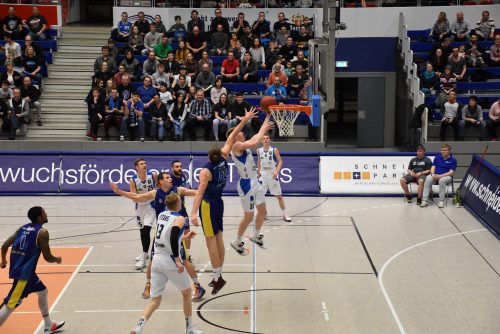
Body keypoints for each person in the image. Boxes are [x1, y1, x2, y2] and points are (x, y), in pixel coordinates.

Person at [190, 108, 257, 295]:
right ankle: (218, 274)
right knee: (219, 238)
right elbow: (232, 136)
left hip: (208, 204)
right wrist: (244, 120)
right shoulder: (224, 159)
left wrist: (193, 213)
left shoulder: (206, 171)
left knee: (210, 240)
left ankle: (218, 277)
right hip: (219, 203)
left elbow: (199, 193)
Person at [110, 172, 205, 303]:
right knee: (152, 260)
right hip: (162, 234)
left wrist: (206, 185)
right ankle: (148, 285)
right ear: (160, 181)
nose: (170, 179)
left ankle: (197, 286)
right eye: (167, 178)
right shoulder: (155, 193)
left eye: (170, 177)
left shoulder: (178, 190)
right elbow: (137, 197)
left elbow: (197, 192)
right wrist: (119, 191)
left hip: (175, 232)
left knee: (184, 260)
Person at [128, 193, 203, 334]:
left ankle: (138, 327)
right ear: (178, 204)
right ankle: (190, 329)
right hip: (170, 261)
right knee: (187, 293)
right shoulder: (179, 218)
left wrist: (184, 236)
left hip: (156, 260)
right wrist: (177, 260)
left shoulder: (162, 214)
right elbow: (173, 236)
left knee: (155, 301)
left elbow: (166, 236)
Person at [0, 206, 65, 334]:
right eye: (44, 213)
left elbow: (4, 245)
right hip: (23, 275)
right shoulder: (42, 233)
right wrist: (56, 259)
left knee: (43, 291)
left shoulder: (22, 228)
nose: (46, 214)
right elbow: (47, 257)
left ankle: (48, 325)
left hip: (28, 274)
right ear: (40, 217)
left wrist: (3, 260)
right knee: (10, 306)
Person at [229, 114, 274, 256]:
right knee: (248, 217)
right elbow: (255, 143)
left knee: (262, 212)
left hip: (256, 181)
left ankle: (256, 235)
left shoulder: (243, 144)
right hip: (246, 185)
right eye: (239, 132)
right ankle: (237, 242)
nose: (242, 132)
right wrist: (263, 131)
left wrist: (268, 115)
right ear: (235, 136)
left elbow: (256, 136)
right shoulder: (236, 146)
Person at [257, 134, 292, 221]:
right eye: (263, 138)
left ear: (269, 140)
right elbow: (259, 161)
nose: (265, 139)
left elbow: (280, 161)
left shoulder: (274, 150)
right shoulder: (259, 150)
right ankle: (264, 214)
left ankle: (285, 214)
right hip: (263, 177)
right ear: (261, 141)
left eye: (267, 138)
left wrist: (277, 171)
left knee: (279, 196)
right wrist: (258, 172)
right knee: (261, 197)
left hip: (272, 176)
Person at [421, 144, 456, 208]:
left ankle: (441, 201)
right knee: (428, 178)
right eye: (442, 150)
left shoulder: (453, 160)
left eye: (445, 150)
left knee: (442, 181)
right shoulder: (437, 157)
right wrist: (432, 174)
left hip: (446, 177)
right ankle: (425, 200)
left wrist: (440, 176)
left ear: (449, 151)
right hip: (436, 175)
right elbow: (433, 167)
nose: (443, 151)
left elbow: (451, 173)